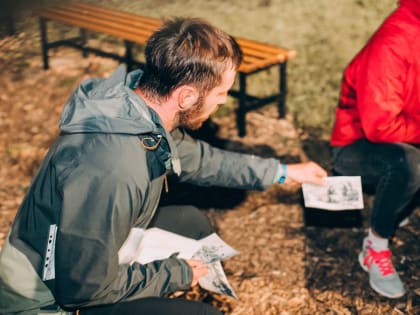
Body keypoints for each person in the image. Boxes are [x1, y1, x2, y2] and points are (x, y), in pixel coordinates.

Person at [0, 17, 327, 315]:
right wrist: (177, 273)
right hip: (46, 296)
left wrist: (283, 172)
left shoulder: (135, 112)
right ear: (185, 97)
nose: (224, 101)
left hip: (88, 252)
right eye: (222, 93)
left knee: (191, 221)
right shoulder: (114, 169)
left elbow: (203, 160)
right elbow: (84, 290)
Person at [330, 0, 420, 299]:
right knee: (409, 164)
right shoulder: (394, 42)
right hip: (354, 146)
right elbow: (379, 126)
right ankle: (375, 246)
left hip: (404, 132)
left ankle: (397, 205)